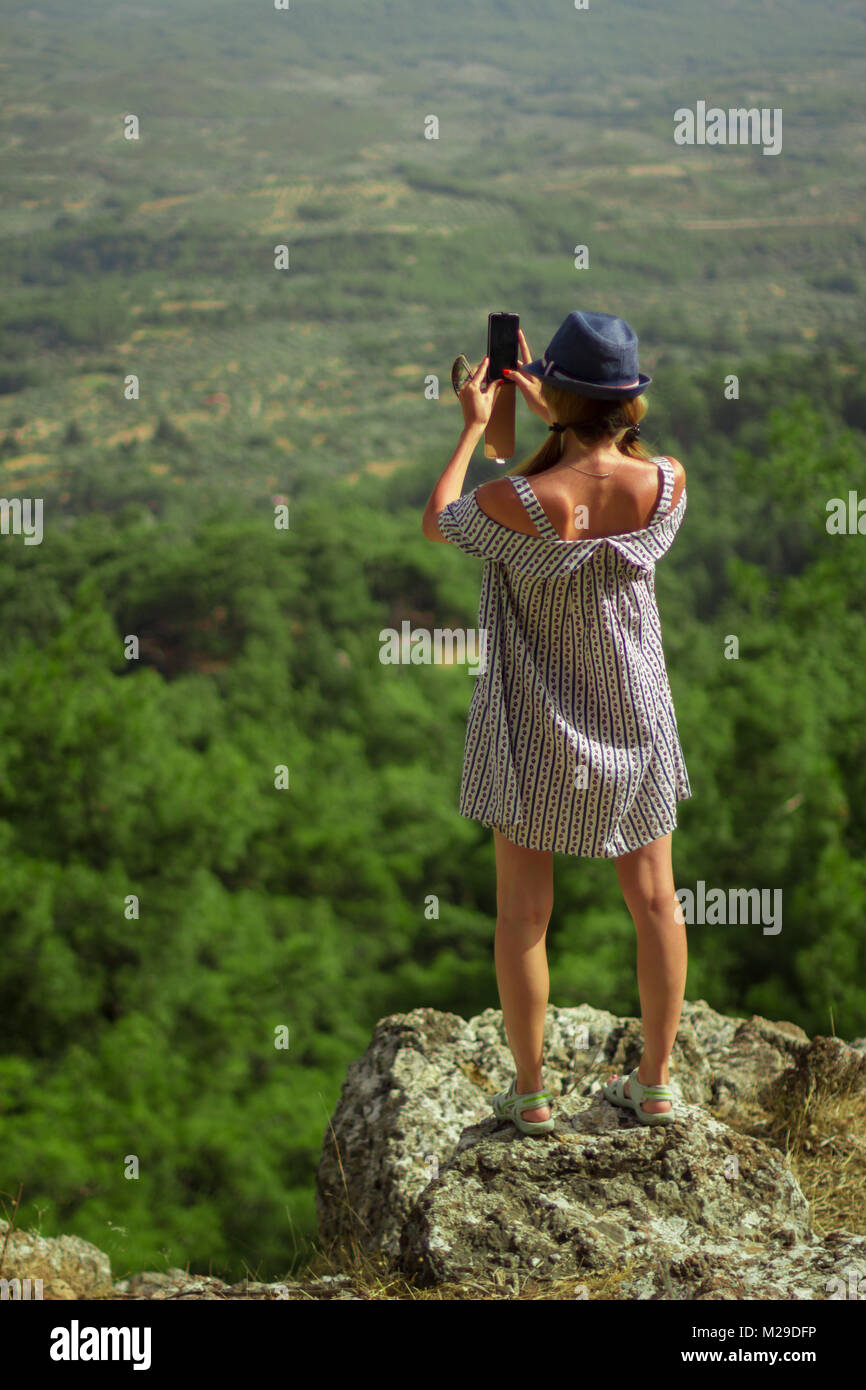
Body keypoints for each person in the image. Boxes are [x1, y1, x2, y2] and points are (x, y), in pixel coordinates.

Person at [421, 310, 691, 1132]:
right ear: (631, 398)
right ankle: (655, 1081)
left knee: (523, 914)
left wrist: (475, 427)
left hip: (537, 724)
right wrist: (565, 416)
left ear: (559, 394)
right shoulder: (668, 484)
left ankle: (532, 1092)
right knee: (656, 903)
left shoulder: (517, 502)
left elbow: (441, 520)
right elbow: (602, 481)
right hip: (636, 716)